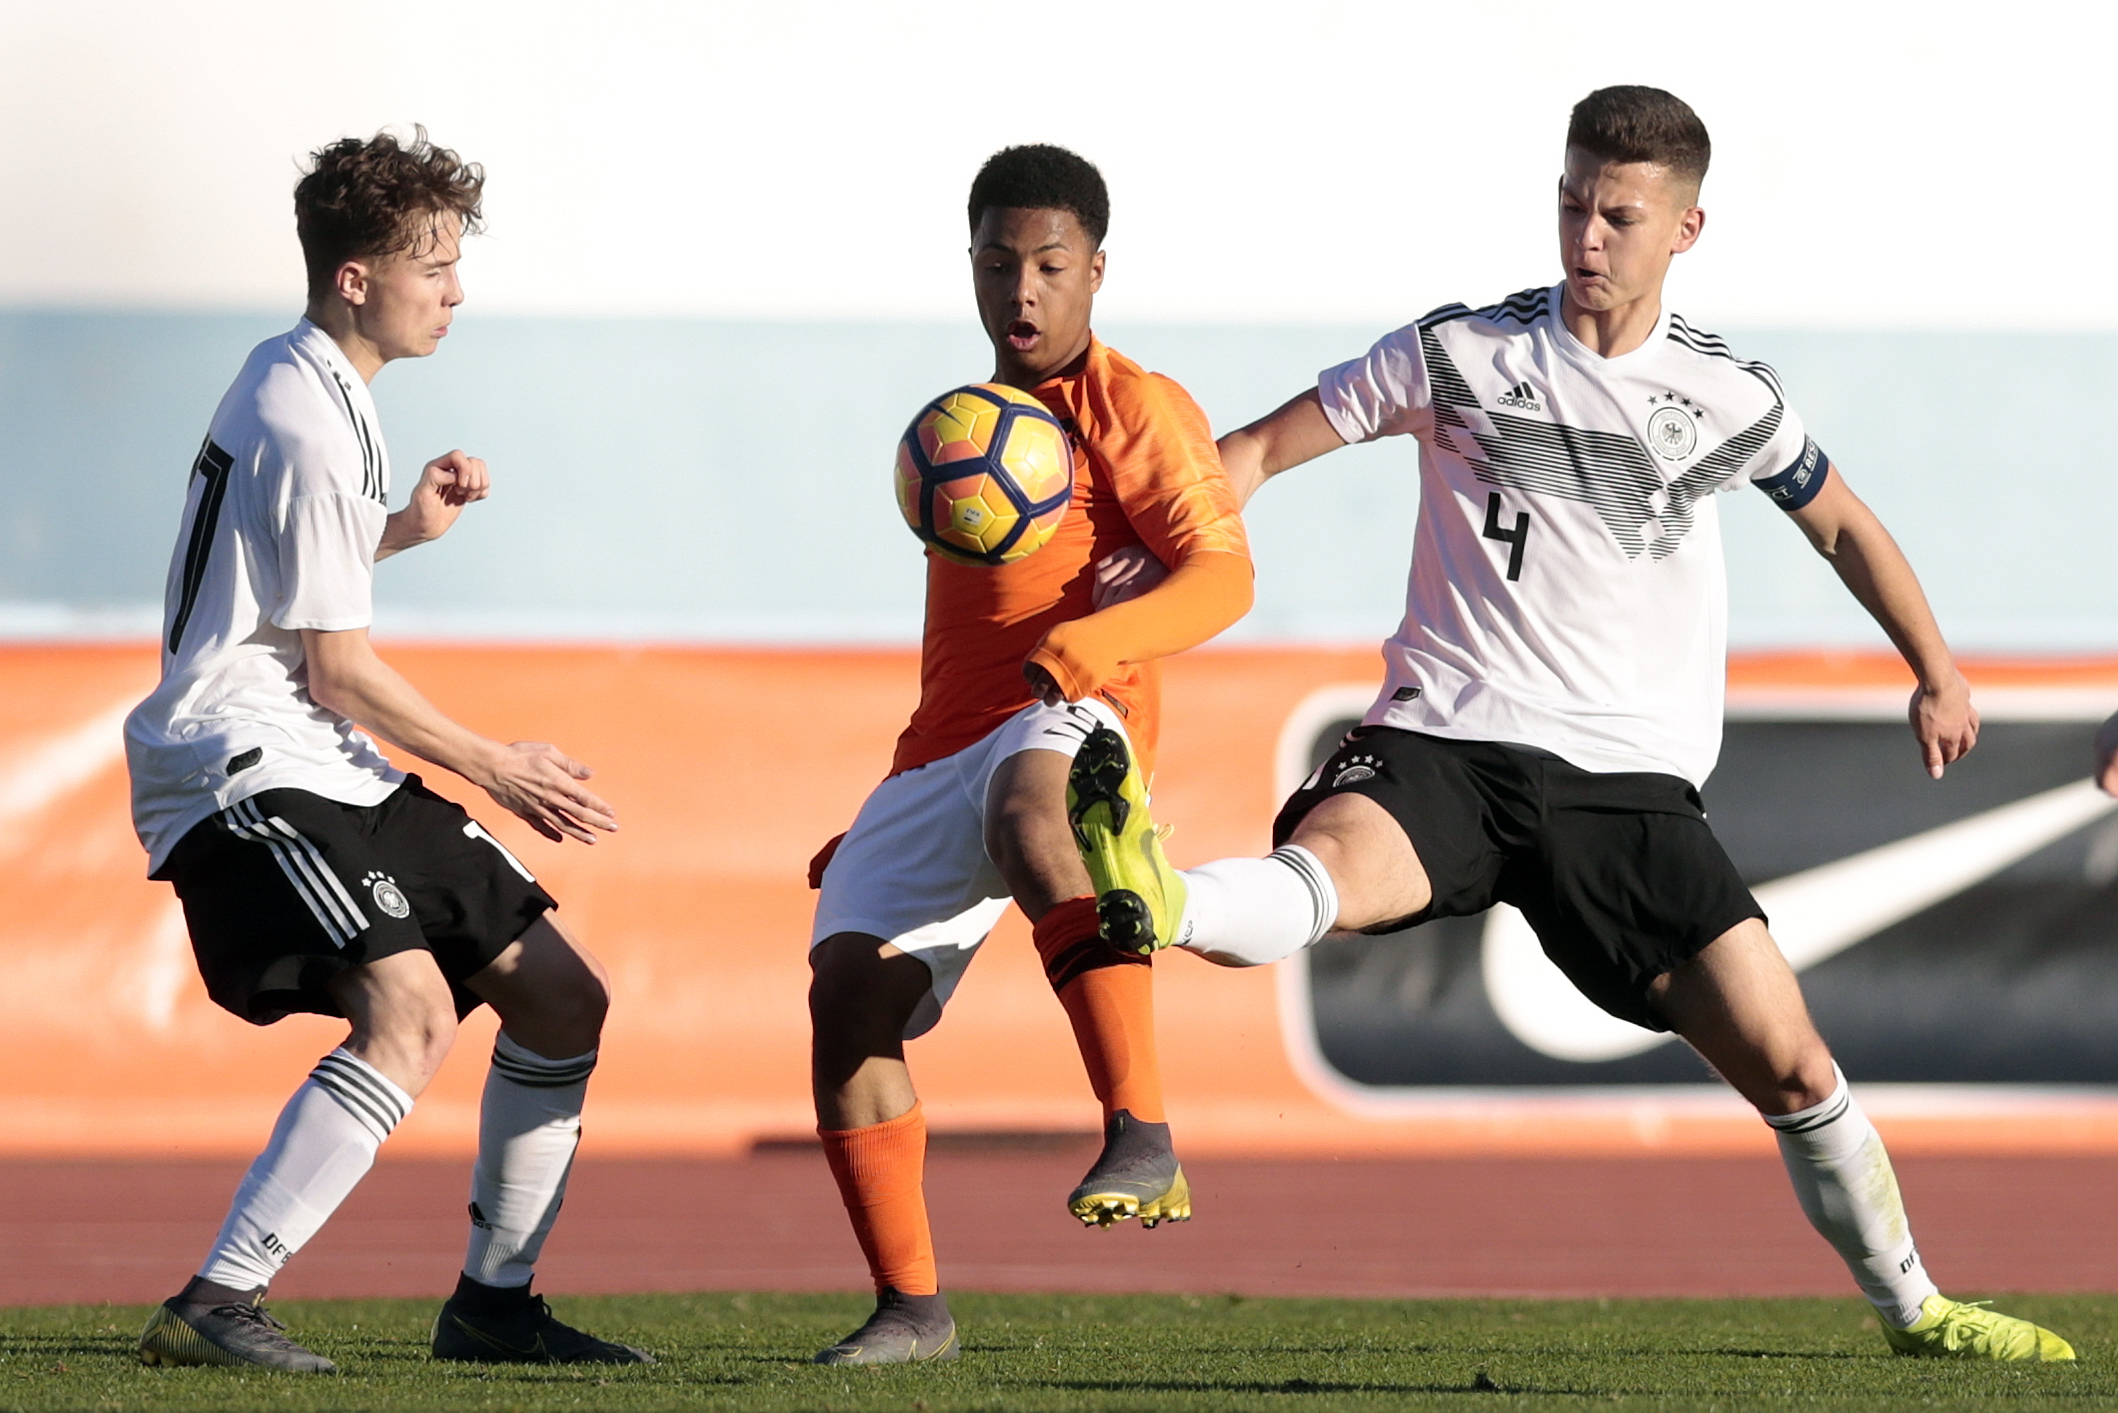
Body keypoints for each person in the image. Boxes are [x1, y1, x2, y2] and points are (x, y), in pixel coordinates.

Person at [1067, 86, 2074, 1362]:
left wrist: (1935, 668)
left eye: (1617, 213)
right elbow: (1257, 450)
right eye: (1570, 202)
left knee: (1798, 1073)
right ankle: (1154, 896)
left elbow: (1843, 525)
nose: (1584, 234)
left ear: (1685, 230)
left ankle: (1919, 1311)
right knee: (1312, 878)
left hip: (1627, 789)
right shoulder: (1458, 351)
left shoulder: (1721, 396)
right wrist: (1167, 559)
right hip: (1447, 736)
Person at [124, 129, 649, 1372]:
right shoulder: (310, 414)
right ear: (355, 276)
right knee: (406, 1009)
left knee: (560, 996)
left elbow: (286, 575)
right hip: (237, 762)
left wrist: (399, 526)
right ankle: (216, 1303)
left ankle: (492, 1308)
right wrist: (496, 765)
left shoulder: (313, 384)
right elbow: (338, 668)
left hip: (314, 751)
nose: (455, 292)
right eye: (434, 268)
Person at [805, 143, 1252, 1365]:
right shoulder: (963, 432)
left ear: (1096, 270)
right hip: (944, 748)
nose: (1024, 290)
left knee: (1028, 810)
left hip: (1072, 711)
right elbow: (957, 649)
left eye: (1050, 264)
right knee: (847, 1000)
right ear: (972, 267)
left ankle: (1141, 1131)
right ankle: (912, 1311)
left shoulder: (1136, 407)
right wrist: (890, 796)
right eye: (999, 263)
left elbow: (1225, 576)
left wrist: (1081, 645)